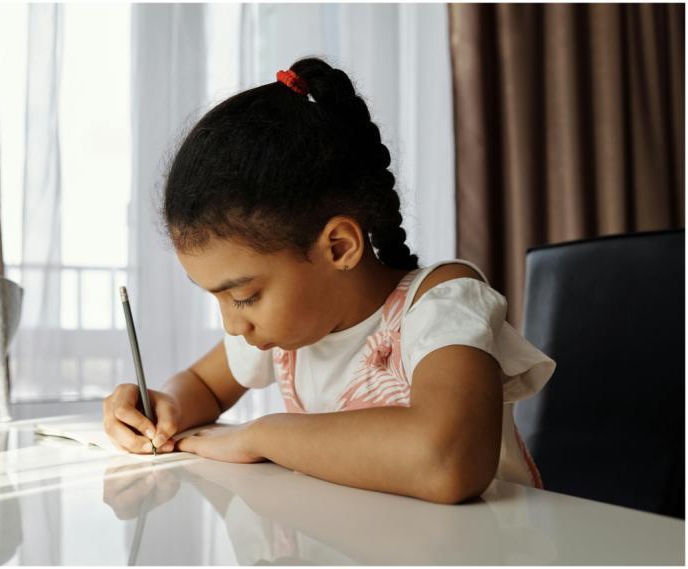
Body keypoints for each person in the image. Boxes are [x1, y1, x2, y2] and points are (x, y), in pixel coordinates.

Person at [103, 57, 556, 505]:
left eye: (243, 296)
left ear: (338, 247)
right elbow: (202, 385)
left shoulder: (441, 305)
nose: (233, 325)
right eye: (218, 298)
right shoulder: (288, 328)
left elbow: (446, 461)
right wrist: (162, 409)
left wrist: (261, 436)